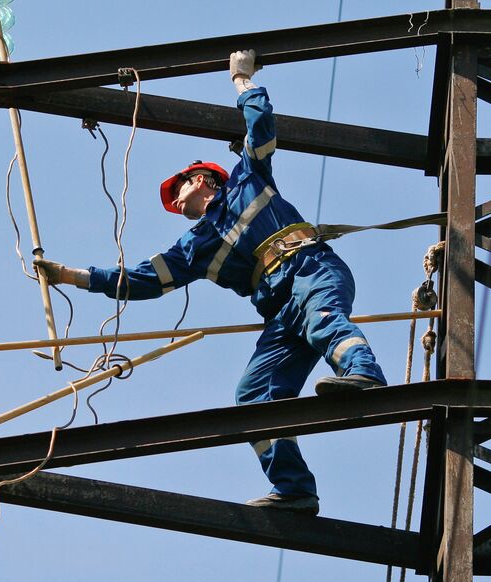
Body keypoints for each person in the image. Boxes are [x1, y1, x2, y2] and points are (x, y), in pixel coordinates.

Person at [36, 50, 386, 515]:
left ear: (202, 180)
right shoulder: (195, 247)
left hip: (309, 270)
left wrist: (241, 79)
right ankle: (296, 489)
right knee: (253, 396)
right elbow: (141, 280)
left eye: (178, 188)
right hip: (281, 311)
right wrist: (72, 276)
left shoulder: (248, 180)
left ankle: (364, 374)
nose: (174, 199)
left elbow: (260, 124)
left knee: (322, 320)